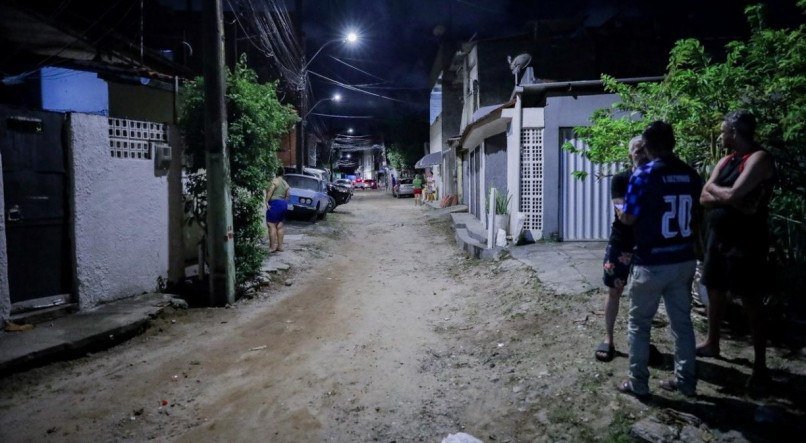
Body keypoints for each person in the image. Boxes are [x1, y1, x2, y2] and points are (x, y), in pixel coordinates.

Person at [617, 121, 702, 399]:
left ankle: (639, 383)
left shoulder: (643, 175)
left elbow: (629, 218)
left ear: (649, 146)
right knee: (682, 323)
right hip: (683, 259)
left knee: (639, 324)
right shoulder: (691, 174)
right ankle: (686, 382)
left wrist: (621, 212)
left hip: (652, 261)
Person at [697, 110, 775, 389]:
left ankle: (760, 365)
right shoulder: (727, 160)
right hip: (719, 237)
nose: (720, 136)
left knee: (751, 300)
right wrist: (726, 196)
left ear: (734, 132)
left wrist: (722, 194)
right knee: (715, 289)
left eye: (723, 131)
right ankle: (712, 342)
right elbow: (705, 194)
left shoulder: (759, 158)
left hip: (747, 240)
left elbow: (731, 193)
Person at [596, 136, 654, 362]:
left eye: (644, 150)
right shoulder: (620, 179)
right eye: (636, 151)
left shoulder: (656, 179)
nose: (640, 154)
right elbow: (623, 216)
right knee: (614, 291)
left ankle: (641, 342)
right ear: (629, 154)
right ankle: (609, 338)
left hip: (647, 243)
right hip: (621, 241)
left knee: (644, 295)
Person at [265, 167, 290, 253]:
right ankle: (280, 247)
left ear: (276, 172)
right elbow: (287, 195)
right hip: (283, 204)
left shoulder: (275, 181)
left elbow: (271, 190)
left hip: (275, 203)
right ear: (283, 173)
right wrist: (284, 204)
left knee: (271, 225)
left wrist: (266, 201)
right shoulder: (286, 183)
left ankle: (272, 247)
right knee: (280, 226)